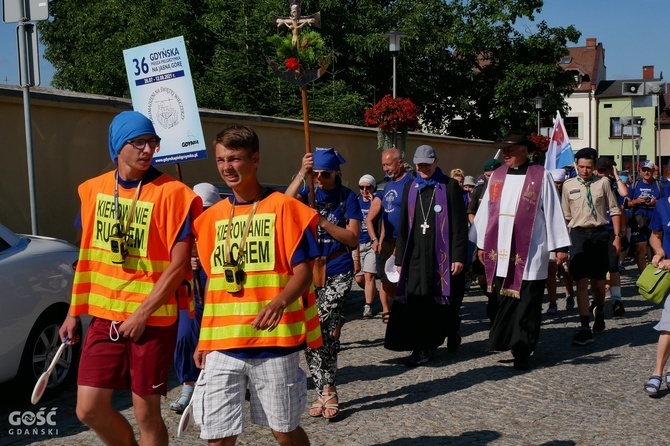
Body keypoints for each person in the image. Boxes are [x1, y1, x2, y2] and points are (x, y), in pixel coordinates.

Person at [58, 110, 202, 446]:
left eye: (153, 142)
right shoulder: (92, 190)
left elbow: (180, 265)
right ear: (117, 145)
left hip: (152, 321)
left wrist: (142, 314)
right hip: (104, 317)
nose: (148, 149)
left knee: (145, 413)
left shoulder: (175, 194)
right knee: (88, 408)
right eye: (139, 142)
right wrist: (72, 312)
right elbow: (88, 256)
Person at [192, 125, 322, 444]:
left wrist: (279, 302)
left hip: (274, 342)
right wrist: (204, 340)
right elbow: (214, 287)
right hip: (225, 344)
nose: (227, 167)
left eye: (235, 159)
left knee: (284, 430)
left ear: (255, 159)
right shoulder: (210, 221)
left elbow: (304, 273)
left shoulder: (285, 209)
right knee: (217, 435)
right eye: (221, 159)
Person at [473, 131, 570, 370]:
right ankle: (504, 339)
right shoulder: (496, 176)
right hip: (500, 250)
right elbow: (486, 209)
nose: (505, 153)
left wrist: (560, 246)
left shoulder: (540, 175)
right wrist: (480, 243)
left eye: (510, 149)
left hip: (530, 250)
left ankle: (523, 348)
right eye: (504, 149)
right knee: (500, 299)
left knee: (527, 303)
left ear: (524, 150)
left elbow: (553, 209)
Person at [285, 147, 362, 420]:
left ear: (336, 173)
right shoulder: (306, 193)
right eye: (315, 173)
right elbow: (282, 205)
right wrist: (300, 173)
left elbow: (352, 238)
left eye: (324, 174)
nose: (319, 178)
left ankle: (327, 387)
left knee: (320, 324)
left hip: (338, 269)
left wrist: (320, 221)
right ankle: (325, 389)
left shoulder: (347, 198)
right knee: (314, 334)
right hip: (309, 272)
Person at [384, 145, 468, 366]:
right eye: (419, 164)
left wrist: (458, 256)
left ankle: (447, 332)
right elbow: (403, 227)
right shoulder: (411, 187)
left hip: (440, 257)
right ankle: (422, 346)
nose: (423, 168)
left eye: (427, 164)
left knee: (441, 303)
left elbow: (460, 225)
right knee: (417, 303)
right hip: (415, 257)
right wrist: (400, 259)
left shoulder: (449, 186)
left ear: (436, 162)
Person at [561, 148, 622, 346]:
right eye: (581, 167)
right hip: (578, 235)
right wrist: (563, 244)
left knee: (597, 282)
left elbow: (614, 210)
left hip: (599, 235)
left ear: (594, 167)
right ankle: (584, 326)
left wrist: (618, 237)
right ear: (576, 166)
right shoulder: (568, 185)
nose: (585, 171)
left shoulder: (603, 183)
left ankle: (600, 309)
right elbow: (565, 216)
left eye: (588, 167)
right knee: (580, 280)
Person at [170, 183, 222, 414]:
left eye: (207, 208)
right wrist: (186, 266)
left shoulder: (223, 227)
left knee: (218, 343)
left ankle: (223, 384)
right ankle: (188, 386)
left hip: (217, 296)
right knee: (185, 338)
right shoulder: (183, 229)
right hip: (189, 296)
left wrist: (207, 262)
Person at [366, 148, 414, 323]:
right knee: (386, 279)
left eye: (388, 164)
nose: (385, 169)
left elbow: (411, 217)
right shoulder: (388, 186)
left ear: (400, 163)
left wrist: (401, 244)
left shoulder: (411, 183)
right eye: (383, 165)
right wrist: (379, 238)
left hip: (403, 240)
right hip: (387, 240)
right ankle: (390, 309)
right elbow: (385, 216)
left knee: (402, 279)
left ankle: (404, 308)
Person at [467, 158, 502, 324]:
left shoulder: (506, 189)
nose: (490, 178)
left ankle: (497, 304)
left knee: (498, 276)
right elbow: (471, 211)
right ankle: (491, 296)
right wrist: (477, 227)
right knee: (481, 277)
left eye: (493, 175)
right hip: (482, 239)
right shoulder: (479, 190)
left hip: (499, 240)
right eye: (487, 175)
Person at [594, 157, 628, 318]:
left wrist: (616, 175)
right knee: (597, 269)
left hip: (610, 231)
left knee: (613, 267)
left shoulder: (614, 186)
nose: (603, 174)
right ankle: (598, 300)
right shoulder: (592, 184)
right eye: (601, 171)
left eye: (606, 170)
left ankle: (617, 301)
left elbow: (625, 193)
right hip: (594, 230)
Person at [643, 195, 670, 397]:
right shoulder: (662, 204)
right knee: (668, 326)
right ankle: (657, 373)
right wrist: (659, 251)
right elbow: (655, 235)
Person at [626, 160, 667, 273]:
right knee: (640, 248)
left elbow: (666, 202)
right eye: (644, 170)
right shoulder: (634, 185)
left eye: (649, 170)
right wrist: (636, 201)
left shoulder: (660, 185)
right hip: (639, 220)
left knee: (655, 250)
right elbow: (626, 204)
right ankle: (642, 274)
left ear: (653, 170)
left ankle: (655, 273)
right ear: (640, 171)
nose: (646, 173)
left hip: (655, 220)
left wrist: (655, 202)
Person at [354, 174, 381, 318]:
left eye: (368, 187)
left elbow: (378, 219)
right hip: (357, 244)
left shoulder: (376, 201)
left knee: (369, 275)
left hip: (371, 243)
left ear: (373, 187)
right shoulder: (355, 201)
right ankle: (373, 293)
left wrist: (373, 205)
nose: (365, 190)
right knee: (359, 278)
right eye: (362, 187)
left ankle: (368, 306)